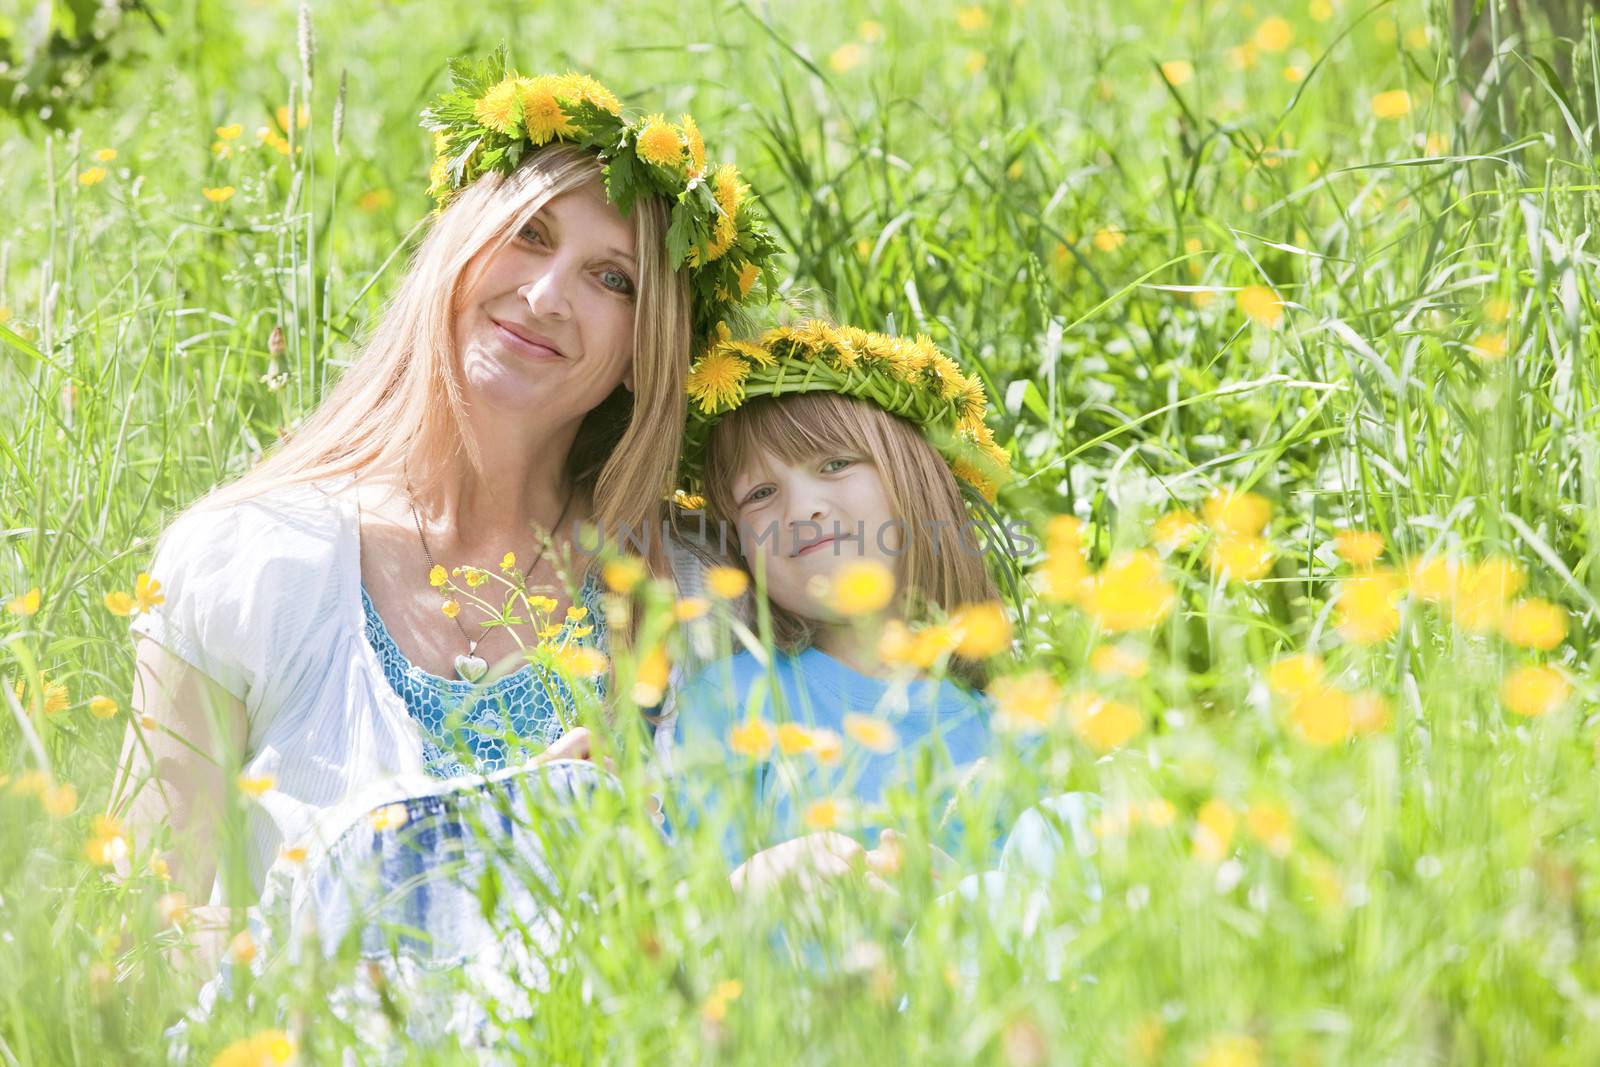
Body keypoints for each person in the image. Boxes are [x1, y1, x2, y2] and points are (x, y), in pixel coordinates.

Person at [113, 57, 780, 981]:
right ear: (455, 252)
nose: (547, 296)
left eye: (612, 279)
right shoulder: (249, 562)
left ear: (646, 349)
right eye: (529, 234)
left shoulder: (690, 593)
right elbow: (138, 940)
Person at [663, 319, 1016, 893]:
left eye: (834, 464)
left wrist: (952, 897)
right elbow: (684, 916)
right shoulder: (734, 701)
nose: (804, 510)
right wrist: (760, 883)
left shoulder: (1009, 731)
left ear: (920, 481)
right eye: (760, 494)